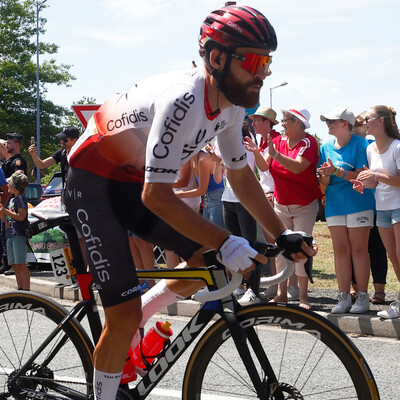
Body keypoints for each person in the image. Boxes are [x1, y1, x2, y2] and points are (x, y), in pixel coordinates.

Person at [64, 5, 315, 400]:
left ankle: (142, 314)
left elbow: (239, 173)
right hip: (93, 183)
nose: (263, 73)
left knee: (204, 260)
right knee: (121, 314)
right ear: (217, 58)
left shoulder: (232, 106)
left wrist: (281, 233)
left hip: (132, 183)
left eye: (267, 62)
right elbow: (156, 195)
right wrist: (226, 240)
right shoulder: (183, 101)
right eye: (253, 61)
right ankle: (124, 339)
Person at [250, 105, 321, 310]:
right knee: (281, 248)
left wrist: (275, 154)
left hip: (304, 205)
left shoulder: (309, 142)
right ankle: (281, 294)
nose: (282, 124)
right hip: (281, 204)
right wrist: (256, 152)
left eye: (285, 120)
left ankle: (303, 297)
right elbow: (264, 166)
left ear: (298, 122)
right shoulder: (278, 141)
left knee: (302, 248)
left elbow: (298, 167)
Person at [318, 107, 375, 314]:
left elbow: (361, 176)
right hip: (334, 202)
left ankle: (362, 296)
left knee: (359, 250)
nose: (328, 124)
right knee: (340, 251)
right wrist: (324, 175)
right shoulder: (324, 146)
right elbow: (324, 180)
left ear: (346, 124)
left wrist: (336, 171)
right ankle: (343, 297)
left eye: (332, 121)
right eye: (327, 121)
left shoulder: (362, 144)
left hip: (359, 201)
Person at [351, 105, 400, 318]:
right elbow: (375, 181)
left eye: (368, 118)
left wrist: (377, 177)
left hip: (398, 207)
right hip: (382, 209)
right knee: (393, 258)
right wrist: (364, 184)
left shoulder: (397, 146)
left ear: (381, 121)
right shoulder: (370, 149)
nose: (364, 122)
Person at [244, 105, 280, 299]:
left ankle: (283, 285)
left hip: (274, 195)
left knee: (277, 242)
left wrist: (256, 150)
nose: (253, 123)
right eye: (253, 119)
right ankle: (277, 284)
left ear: (268, 122)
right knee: (271, 243)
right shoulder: (265, 140)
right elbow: (262, 169)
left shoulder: (274, 139)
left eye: (257, 119)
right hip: (268, 194)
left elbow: (264, 165)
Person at [222, 120, 259, 305]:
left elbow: (243, 170)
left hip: (245, 200)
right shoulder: (223, 139)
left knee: (249, 246)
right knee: (233, 245)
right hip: (227, 199)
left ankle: (253, 289)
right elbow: (221, 173)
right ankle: (239, 286)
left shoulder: (246, 139)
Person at [352, 113, 388, 304]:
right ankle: (356, 289)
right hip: (355, 204)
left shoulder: (371, 145)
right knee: (356, 249)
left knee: (377, 248)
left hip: (375, 204)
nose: (358, 128)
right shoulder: (351, 145)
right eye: (355, 126)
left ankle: (379, 291)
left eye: (361, 125)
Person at [0, 172, 30, 290]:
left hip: (18, 235)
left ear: (16, 186)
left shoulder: (21, 198)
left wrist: (6, 211)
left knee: (21, 263)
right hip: (9, 235)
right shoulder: (12, 200)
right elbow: (5, 219)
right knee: (14, 264)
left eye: (10, 184)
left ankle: (26, 289)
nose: (7, 185)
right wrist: (2, 211)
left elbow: (21, 216)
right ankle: (20, 288)